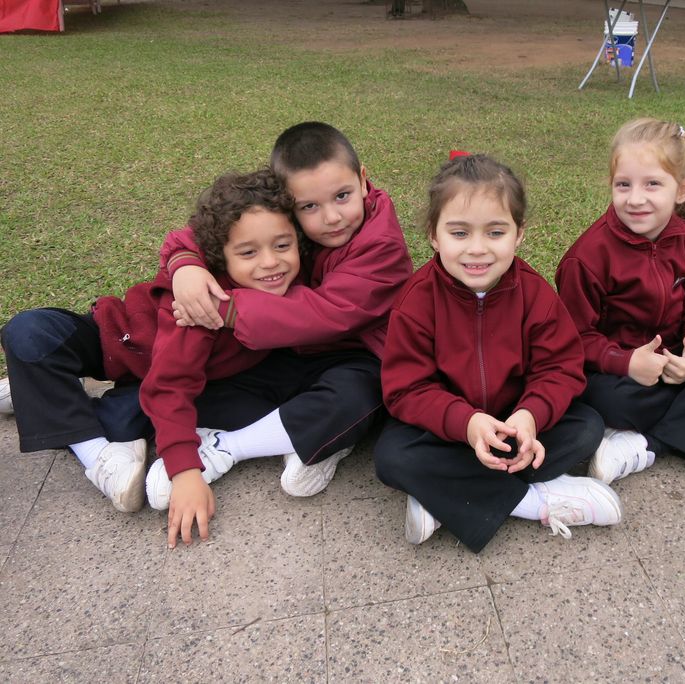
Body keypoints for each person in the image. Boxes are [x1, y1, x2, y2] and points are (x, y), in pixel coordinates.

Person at [0, 169, 302, 546]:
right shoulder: (201, 303)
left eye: (282, 245)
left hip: (154, 381)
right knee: (29, 333)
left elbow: (168, 388)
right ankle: (96, 455)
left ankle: (41, 392)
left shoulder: (296, 287)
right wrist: (186, 473)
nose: (270, 262)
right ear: (219, 256)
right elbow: (171, 385)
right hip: (119, 342)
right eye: (248, 252)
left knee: (129, 421)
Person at [149, 122, 413, 503]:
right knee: (206, 387)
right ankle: (308, 438)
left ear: (363, 180)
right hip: (288, 349)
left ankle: (231, 447)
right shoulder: (296, 223)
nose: (331, 217)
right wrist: (184, 262)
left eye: (342, 196)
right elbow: (220, 226)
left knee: (360, 395)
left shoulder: (381, 245)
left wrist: (223, 306)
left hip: (356, 356)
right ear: (288, 204)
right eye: (309, 207)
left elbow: (325, 313)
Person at [374, 153, 621, 553]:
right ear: (434, 235)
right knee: (392, 457)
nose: (477, 249)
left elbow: (560, 369)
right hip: (448, 430)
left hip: (514, 426)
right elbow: (406, 389)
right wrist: (467, 422)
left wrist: (530, 416)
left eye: (495, 232)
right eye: (459, 233)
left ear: (519, 234)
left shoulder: (535, 294)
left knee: (586, 427)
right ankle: (535, 502)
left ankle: (444, 497)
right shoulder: (416, 301)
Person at [556, 118, 685, 483]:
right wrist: (626, 362)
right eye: (624, 184)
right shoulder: (586, 258)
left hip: (675, 364)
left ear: (682, 189)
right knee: (610, 401)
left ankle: (651, 439)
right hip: (618, 375)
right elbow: (573, 340)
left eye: (652, 184)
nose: (636, 198)